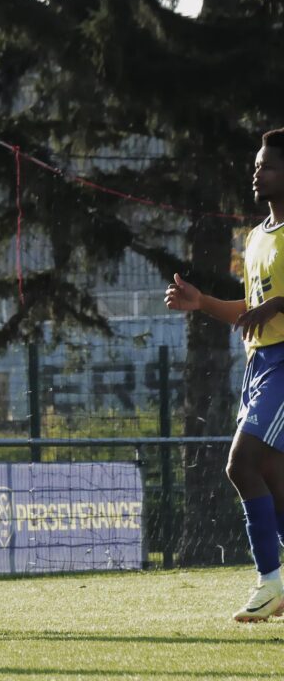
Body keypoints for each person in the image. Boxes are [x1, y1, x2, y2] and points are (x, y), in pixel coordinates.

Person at [165, 127, 284, 622]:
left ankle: (270, 582)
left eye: (268, 165)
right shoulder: (256, 238)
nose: (257, 172)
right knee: (271, 476)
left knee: (241, 464)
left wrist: (278, 304)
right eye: (256, 165)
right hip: (260, 364)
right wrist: (202, 303)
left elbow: (270, 307)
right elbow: (250, 309)